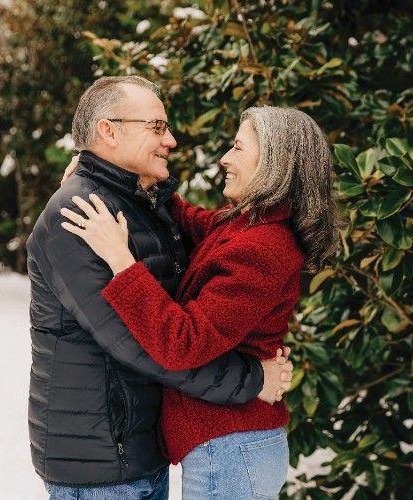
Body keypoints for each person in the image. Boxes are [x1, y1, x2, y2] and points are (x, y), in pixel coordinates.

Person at [26, 76, 293, 500]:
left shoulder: (141, 207)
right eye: (156, 127)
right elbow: (142, 343)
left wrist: (131, 182)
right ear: (108, 131)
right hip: (100, 464)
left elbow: (202, 251)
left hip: (139, 451)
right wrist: (251, 379)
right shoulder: (80, 216)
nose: (171, 139)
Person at [60, 106, 341, 499]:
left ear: (274, 164)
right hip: (231, 444)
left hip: (231, 449)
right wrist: (115, 175)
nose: (225, 158)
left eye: (239, 148)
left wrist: (120, 260)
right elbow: (191, 221)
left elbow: (182, 344)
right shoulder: (248, 224)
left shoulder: (263, 247)